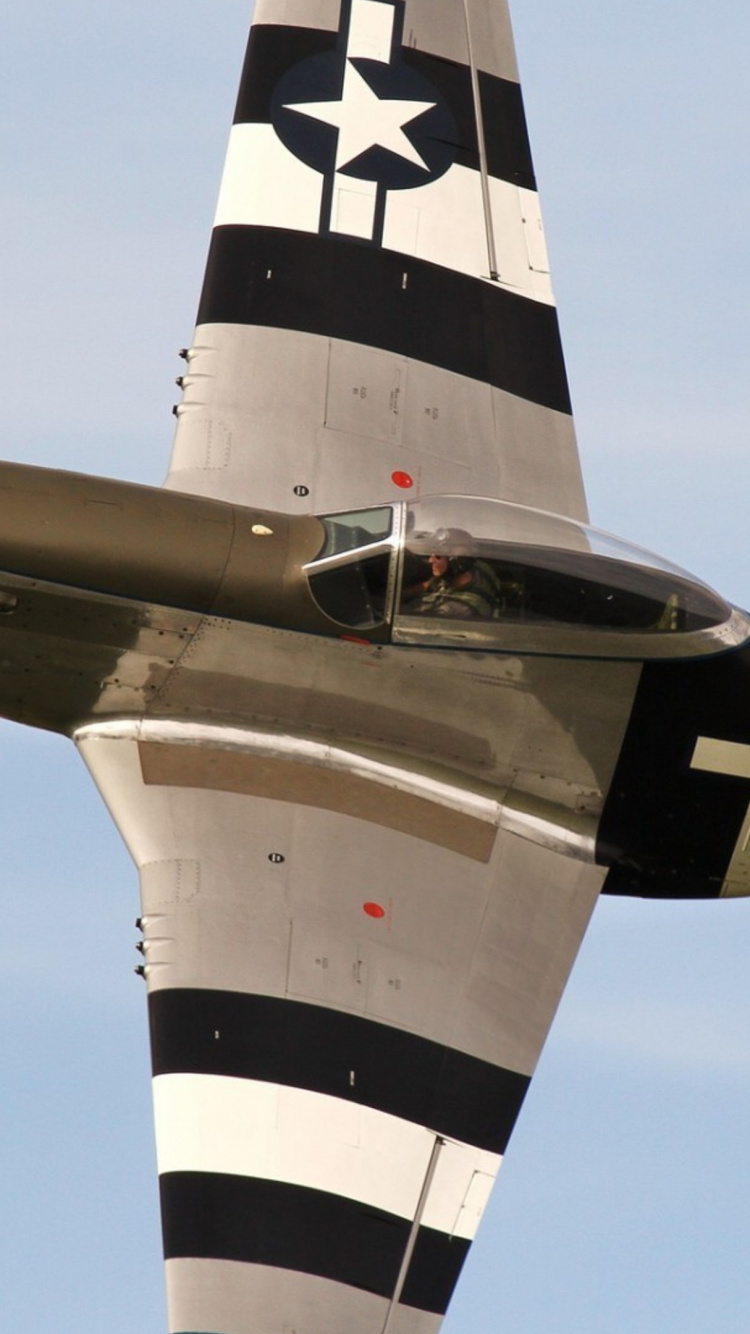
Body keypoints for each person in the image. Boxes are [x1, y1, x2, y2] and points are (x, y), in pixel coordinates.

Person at [403, 552, 504, 619]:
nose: (430, 560)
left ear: (455, 561)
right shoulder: (478, 569)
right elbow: (425, 586)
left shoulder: (454, 609)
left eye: (438, 556)